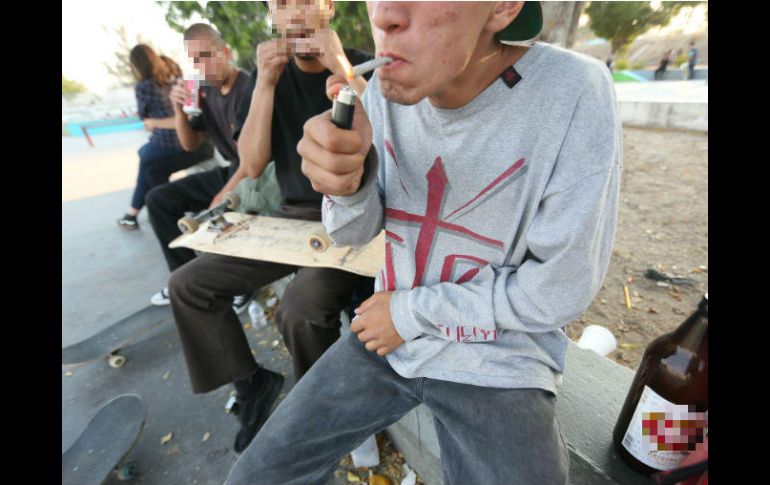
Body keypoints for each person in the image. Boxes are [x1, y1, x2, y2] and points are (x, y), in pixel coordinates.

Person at [226, 1, 622, 484]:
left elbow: (559, 288)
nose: (385, 15)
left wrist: (410, 313)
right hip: (386, 341)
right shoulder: (379, 96)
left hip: (498, 356)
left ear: (502, 7)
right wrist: (347, 187)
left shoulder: (572, 93)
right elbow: (351, 234)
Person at [167, 0, 375, 454]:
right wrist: (263, 82)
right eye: (282, 4)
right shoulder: (269, 78)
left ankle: (329, 416)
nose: (295, 13)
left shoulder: (361, 63)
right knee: (187, 285)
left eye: (307, 2)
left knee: (299, 311)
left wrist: (339, 65)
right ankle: (251, 383)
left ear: (329, 9)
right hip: (292, 216)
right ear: (272, 17)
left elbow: (396, 141)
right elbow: (253, 162)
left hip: (351, 215)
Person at [144, 24, 253, 310]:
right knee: (158, 199)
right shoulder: (205, 92)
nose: (201, 65)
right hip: (231, 169)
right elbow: (190, 144)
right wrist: (178, 110)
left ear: (225, 52)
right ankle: (184, 276)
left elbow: (253, 162)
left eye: (207, 55)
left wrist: (222, 196)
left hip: (255, 173)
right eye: (195, 59)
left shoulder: (248, 88)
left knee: (222, 210)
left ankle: (239, 285)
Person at [116, 45, 213, 231]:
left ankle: (139, 214)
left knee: (145, 159)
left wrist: (155, 122)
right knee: (149, 166)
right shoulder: (177, 80)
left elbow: (146, 119)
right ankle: (137, 213)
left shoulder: (145, 86)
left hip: (174, 143)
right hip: (185, 141)